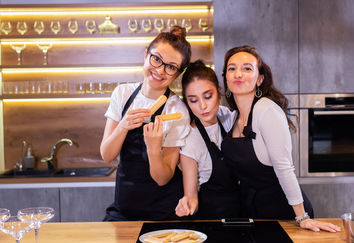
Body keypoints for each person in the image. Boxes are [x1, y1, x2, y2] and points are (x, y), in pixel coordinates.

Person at [221, 45, 341, 232]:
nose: (238, 74)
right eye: (232, 68)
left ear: (259, 79)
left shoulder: (266, 110)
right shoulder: (234, 116)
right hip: (253, 211)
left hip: (285, 213)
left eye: (247, 68)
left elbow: (284, 168)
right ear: (226, 78)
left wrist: (302, 217)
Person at [100, 26, 191, 221]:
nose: (160, 70)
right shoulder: (122, 94)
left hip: (163, 212)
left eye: (171, 67)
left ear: (178, 74)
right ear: (146, 55)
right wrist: (124, 125)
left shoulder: (176, 110)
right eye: (156, 59)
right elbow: (107, 155)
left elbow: (162, 178)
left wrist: (153, 148)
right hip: (124, 209)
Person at [175, 60, 240, 219]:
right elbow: (191, 195)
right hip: (212, 223)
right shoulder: (190, 139)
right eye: (193, 100)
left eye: (208, 96)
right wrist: (187, 204)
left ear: (218, 92)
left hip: (244, 217)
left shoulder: (227, 117)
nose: (202, 106)